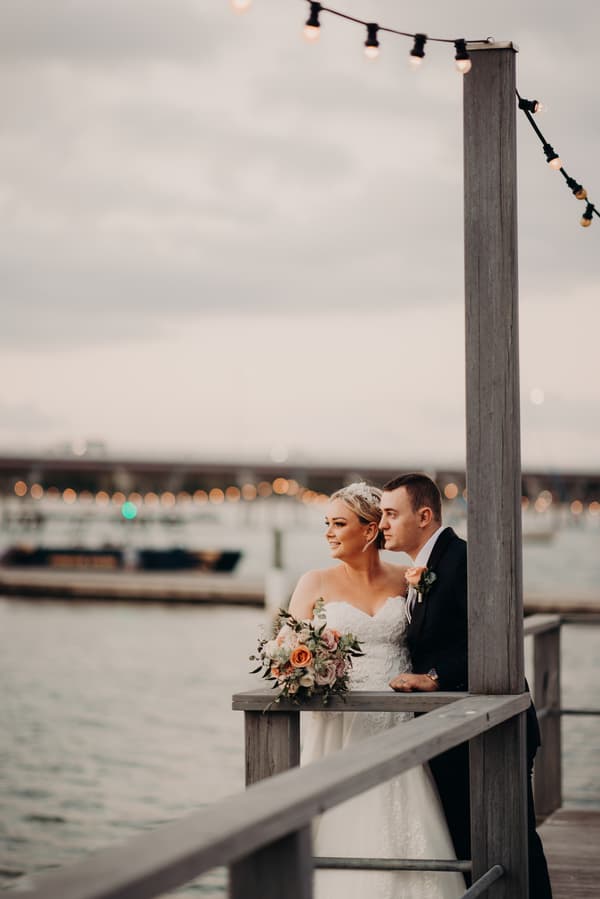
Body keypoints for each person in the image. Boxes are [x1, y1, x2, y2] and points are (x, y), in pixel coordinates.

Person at [380, 472, 552, 899]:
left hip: (491, 730)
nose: (382, 523)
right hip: (455, 729)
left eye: (389, 514)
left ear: (423, 516)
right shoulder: (422, 568)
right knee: (469, 842)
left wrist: (433, 677)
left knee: (515, 845)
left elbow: (495, 639)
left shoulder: (463, 560)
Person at [290, 482, 465, 899]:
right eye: (326, 524)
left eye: (339, 523)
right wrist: (304, 669)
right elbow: (287, 653)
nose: (329, 533)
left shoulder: (408, 581)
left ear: (370, 532)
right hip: (342, 725)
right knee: (340, 820)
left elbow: (438, 638)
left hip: (400, 721)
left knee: (406, 816)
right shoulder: (313, 582)